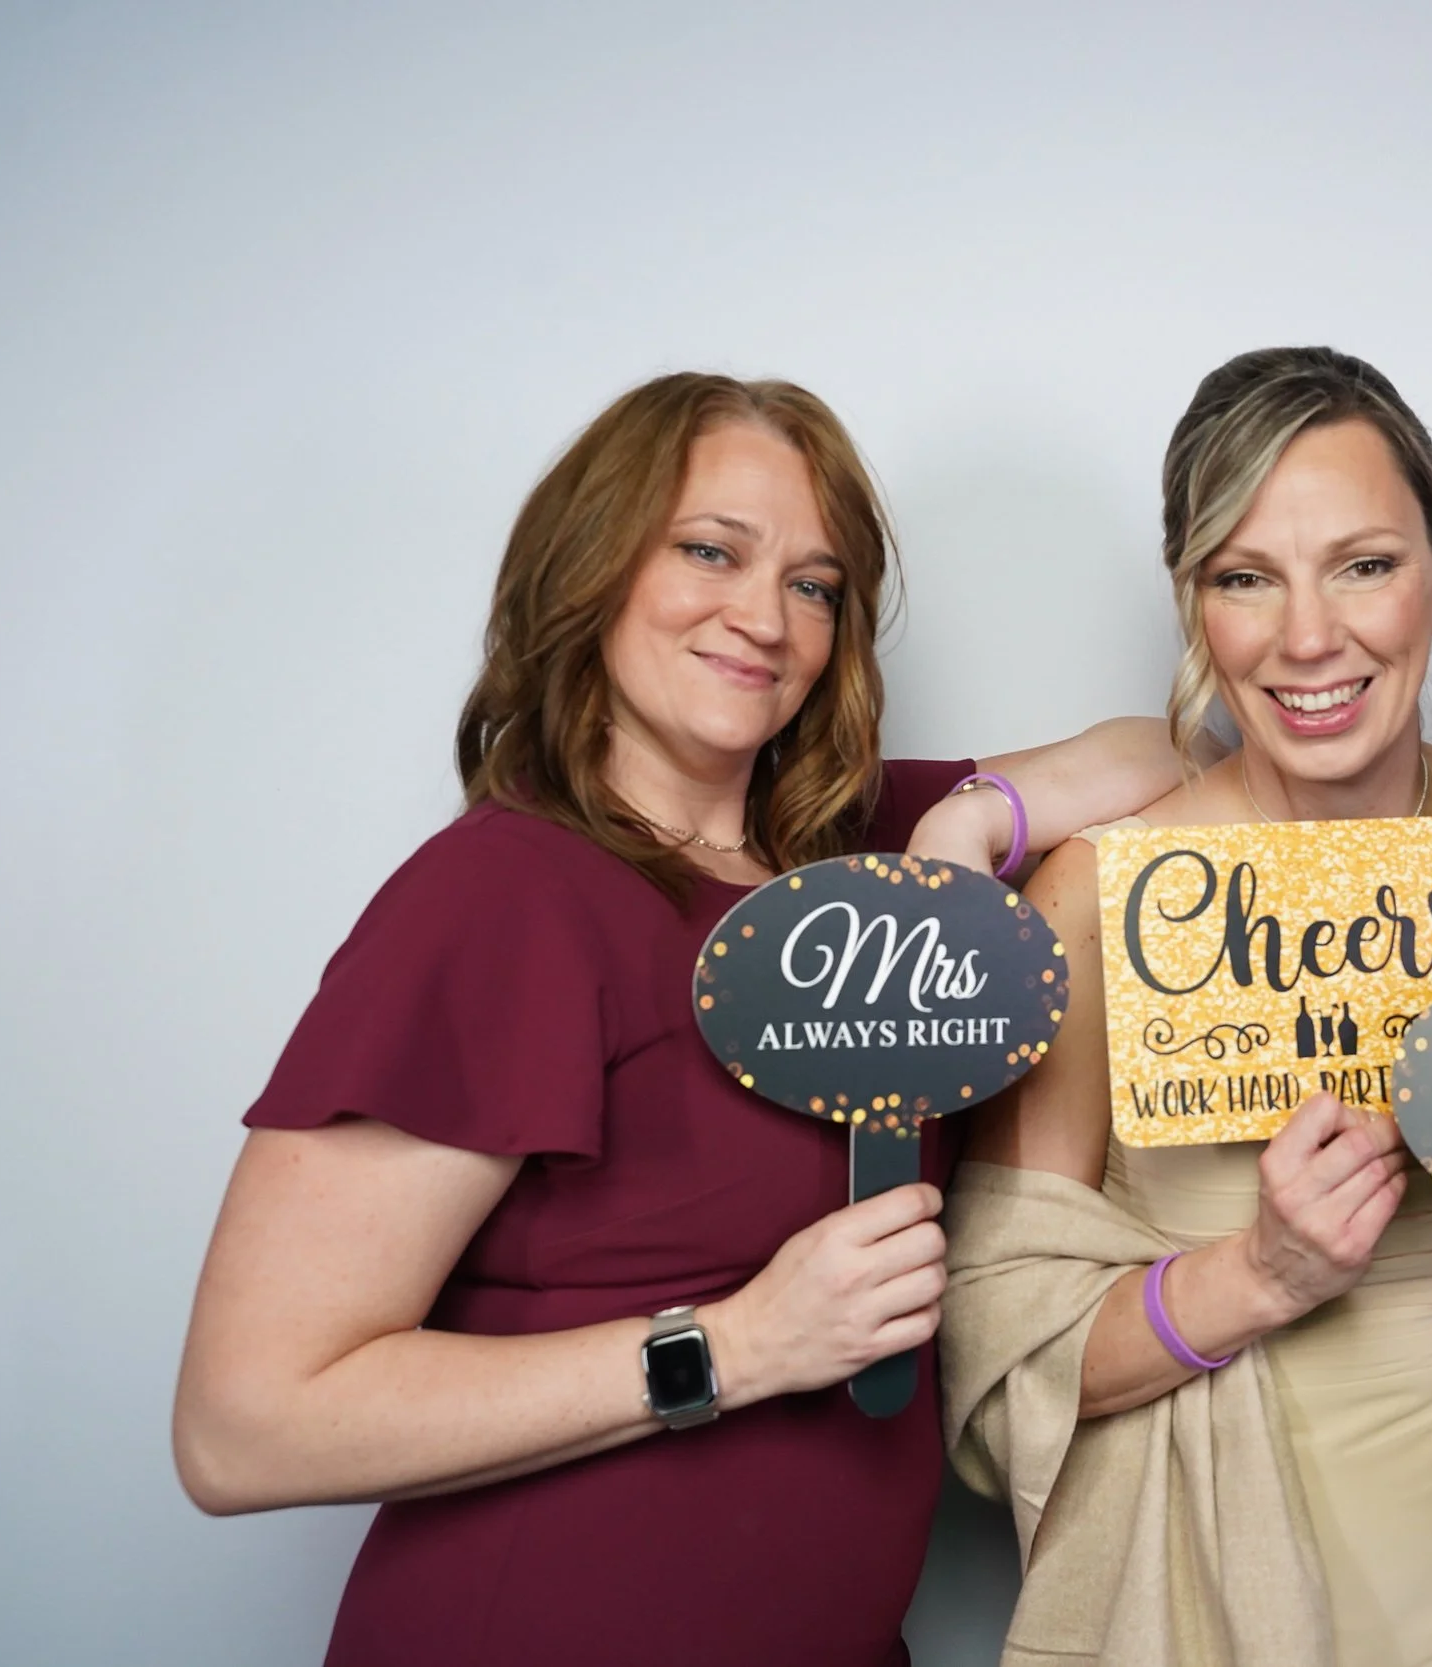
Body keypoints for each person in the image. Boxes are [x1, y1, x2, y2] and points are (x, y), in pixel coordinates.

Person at [170, 372, 1196, 1667]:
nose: (765, 616)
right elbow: (242, 1422)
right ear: (590, 564)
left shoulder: (851, 873)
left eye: (814, 583)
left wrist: (965, 827)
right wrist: (737, 1342)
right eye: (712, 550)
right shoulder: (500, 898)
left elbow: (1173, 750)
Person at [942, 348, 1432, 1667]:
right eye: (1244, 576)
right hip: (1210, 1601)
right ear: (1193, 605)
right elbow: (995, 1369)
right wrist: (1259, 1273)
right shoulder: (1102, 898)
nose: (1308, 634)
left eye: (1364, 563)